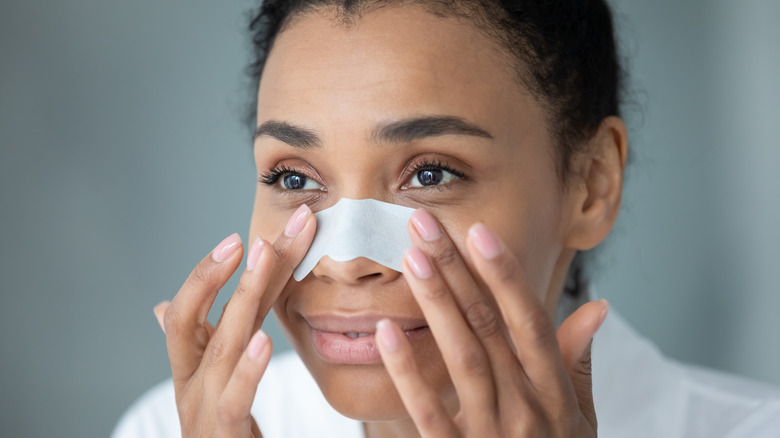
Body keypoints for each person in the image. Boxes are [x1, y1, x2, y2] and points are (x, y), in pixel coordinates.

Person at [112, 1, 780, 437]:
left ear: (591, 185)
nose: (346, 260)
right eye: (294, 179)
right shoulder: (163, 429)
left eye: (430, 175)